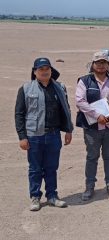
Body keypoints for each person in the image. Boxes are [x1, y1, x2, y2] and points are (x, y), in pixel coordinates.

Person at [15, 58, 73, 211]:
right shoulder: (26, 89)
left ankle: (52, 196)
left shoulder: (60, 87)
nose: (44, 71)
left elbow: (66, 110)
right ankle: (35, 197)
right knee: (35, 168)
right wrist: (22, 137)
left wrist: (68, 130)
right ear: (35, 72)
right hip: (34, 136)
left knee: (51, 167)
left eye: (47, 68)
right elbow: (19, 114)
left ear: (51, 70)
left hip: (53, 135)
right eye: (41, 69)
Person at [75, 50, 109, 201]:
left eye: (104, 63)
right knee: (92, 157)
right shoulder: (84, 81)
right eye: (98, 63)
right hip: (92, 127)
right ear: (93, 65)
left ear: (107, 65)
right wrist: (96, 115)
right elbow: (80, 101)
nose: (101, 65)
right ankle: (89, 186)